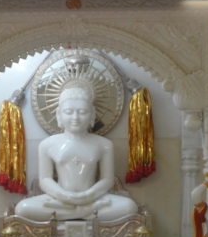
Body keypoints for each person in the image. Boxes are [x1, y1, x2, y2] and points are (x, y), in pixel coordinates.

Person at [15, 79, 138, 222]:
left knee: (129, 207)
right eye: (68, 112)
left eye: (82, 112)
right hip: (60, 199)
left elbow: (107, 179)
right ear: (59, 114)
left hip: (92, 198)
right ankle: (85, 213)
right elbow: (45, 179)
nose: (75, 118)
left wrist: (87, 196)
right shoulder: (47, 145)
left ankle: (72, 212)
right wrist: (64, 196)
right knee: (22, 208)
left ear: (92, 114)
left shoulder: (104, 144)